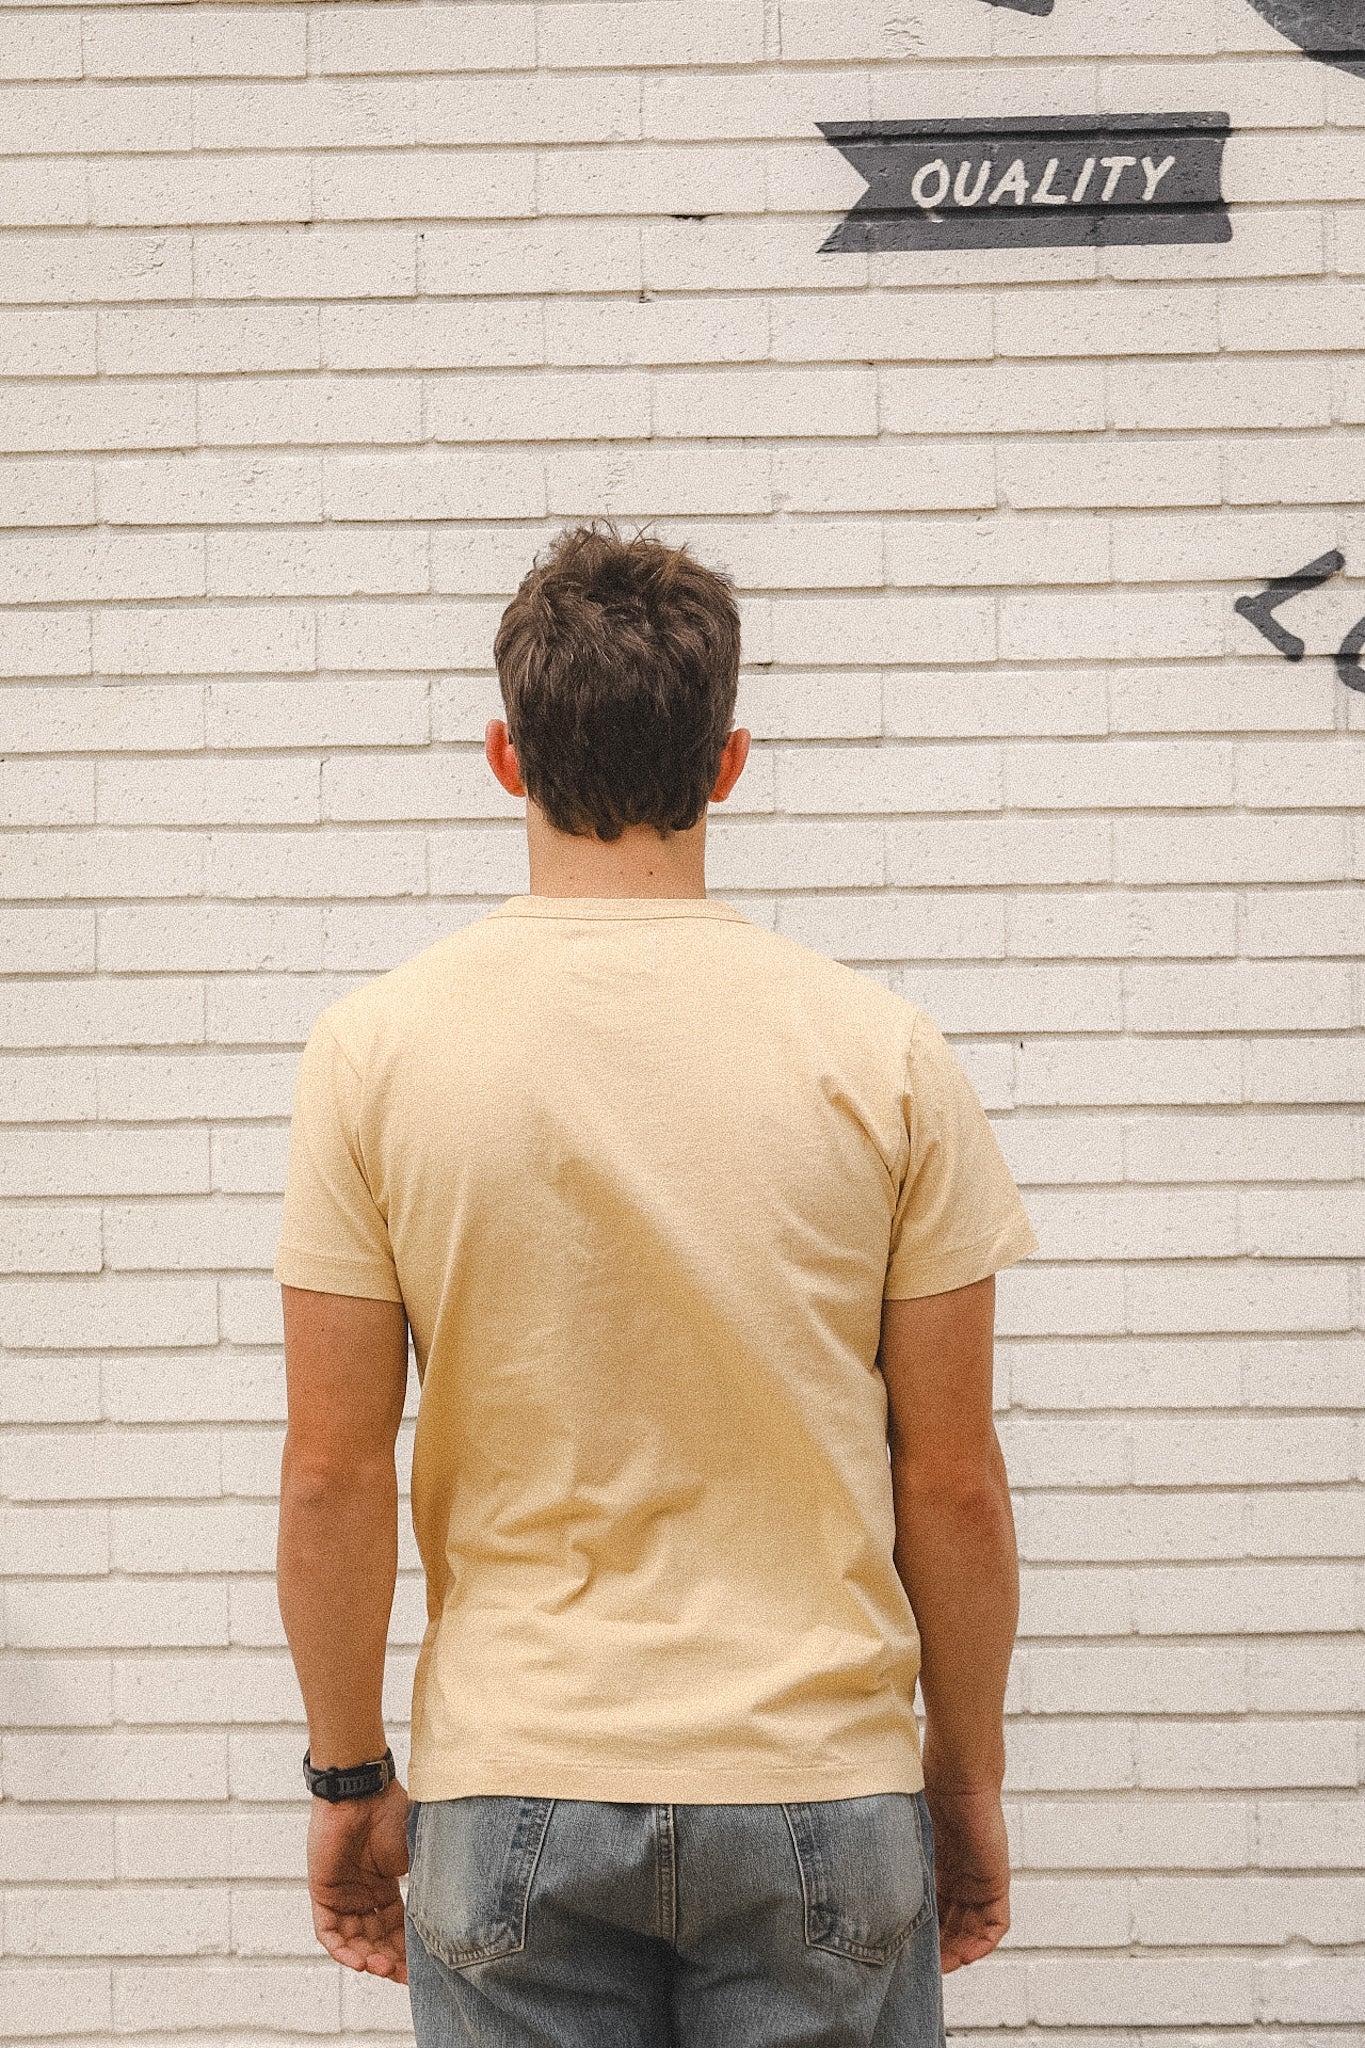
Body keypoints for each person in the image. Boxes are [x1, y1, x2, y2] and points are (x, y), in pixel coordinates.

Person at [273, 519, 1040, 2047]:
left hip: (514, 1779)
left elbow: (334, 1469)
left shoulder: (374, 1053)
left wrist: (351, 1775)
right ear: (728, 761)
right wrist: (962, 1781)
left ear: (505, 756)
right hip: (817, 1781)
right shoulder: (883, 1055)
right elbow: (948, 1480)